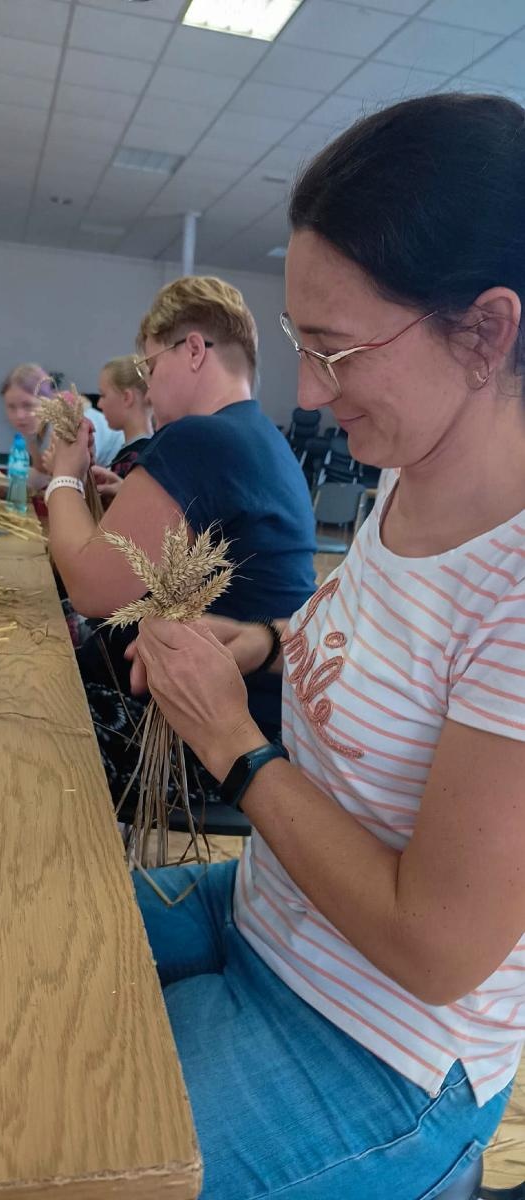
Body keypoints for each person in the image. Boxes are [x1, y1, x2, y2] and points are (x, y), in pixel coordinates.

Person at [122, 93, 525, 1199]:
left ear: (485, 333)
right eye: (303, 345)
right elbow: (358, 629)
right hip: (266, 912)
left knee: (69, 1156)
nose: (307, 392)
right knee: (22, 941)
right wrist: (251, 641)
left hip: (378, 1047)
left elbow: (437, 948)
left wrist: (235, 749)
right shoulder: (410, 472)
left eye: (338, 350)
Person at [46, 275, 317, 785]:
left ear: (193, 349)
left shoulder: (199, 438)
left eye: (151, 365)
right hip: (268, 719)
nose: (148, 385)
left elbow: (89, 588)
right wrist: (130, 501)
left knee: (12, 700)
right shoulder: (262, 437)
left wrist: (63, 470)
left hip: (205, 732)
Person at [97, 355, 153, 479]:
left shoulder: (137, 457)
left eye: (103, 395)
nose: (99, 404)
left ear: (127, 397)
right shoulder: (140, 450)